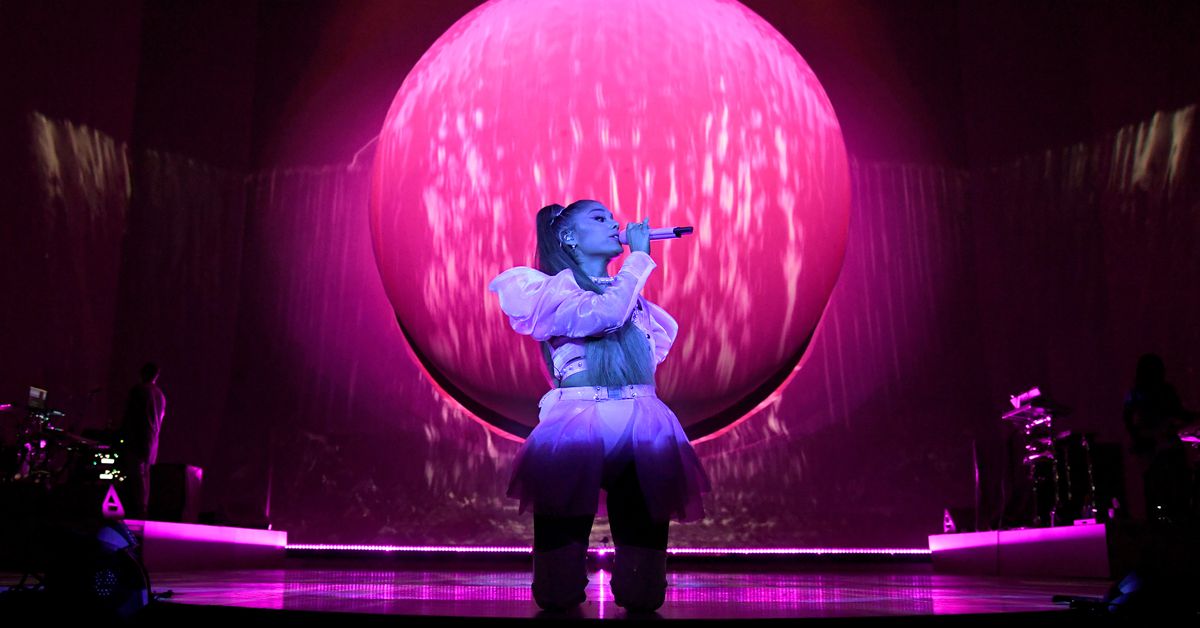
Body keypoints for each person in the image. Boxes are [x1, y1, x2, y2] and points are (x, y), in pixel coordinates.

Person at [487, 200, 711, 613]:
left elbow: (642, 344)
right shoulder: (548, 290)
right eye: (599, 218)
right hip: (577, 423)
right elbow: (601, 317)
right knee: (556, 590)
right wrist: (638, 258)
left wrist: (632, 273)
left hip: (643, 424)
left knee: (645, 591)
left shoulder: (631, 296)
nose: (614, 224)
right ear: (569, 237)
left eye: (612, 218)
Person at [1122, 353, 1197, 524]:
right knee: (1167, 487)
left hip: (1156, 448)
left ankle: (1163, 521)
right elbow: (1177, 414)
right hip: (1159, 448)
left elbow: (1130, 421)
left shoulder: (1137, 393)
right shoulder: (1157, 392)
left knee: (1158, 491)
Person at [117, 362, 166, 519]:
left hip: (136, 439)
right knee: (145, 475)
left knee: (134, 475)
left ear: (142, 373)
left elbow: (130, 416)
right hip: (151, 441)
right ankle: (142, 509)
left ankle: (134, 510)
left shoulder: (139, 390)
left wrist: (120, 435)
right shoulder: (160, 395)